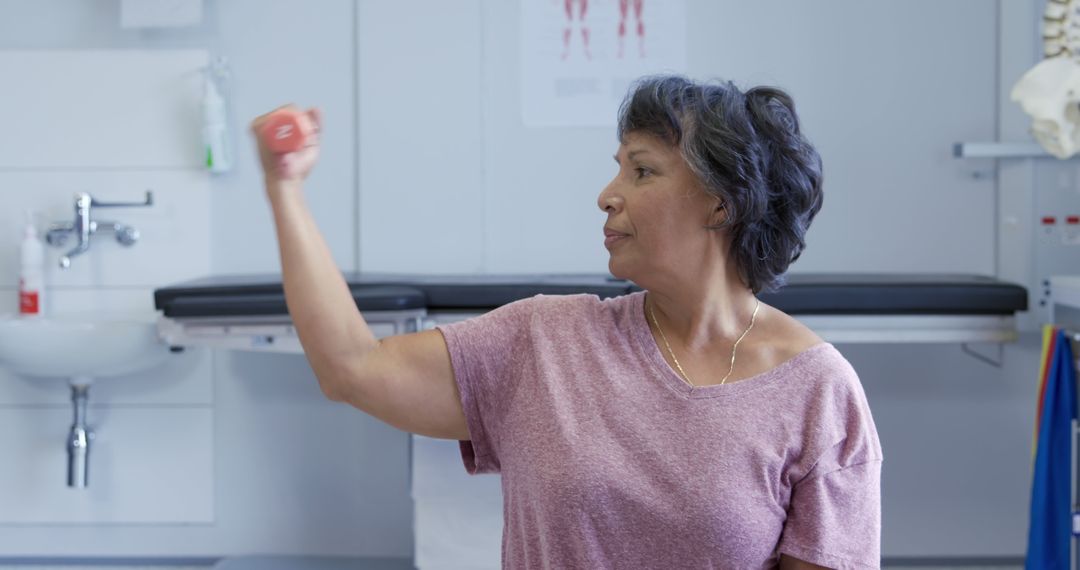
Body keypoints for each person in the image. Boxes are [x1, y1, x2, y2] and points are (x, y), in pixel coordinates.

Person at [250, 75, 883, 569]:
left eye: (642, 170)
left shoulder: (818, 393)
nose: (607, 194)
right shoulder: (543, 342)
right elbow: (351, 369)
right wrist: (286, 191)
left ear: (720, 203)